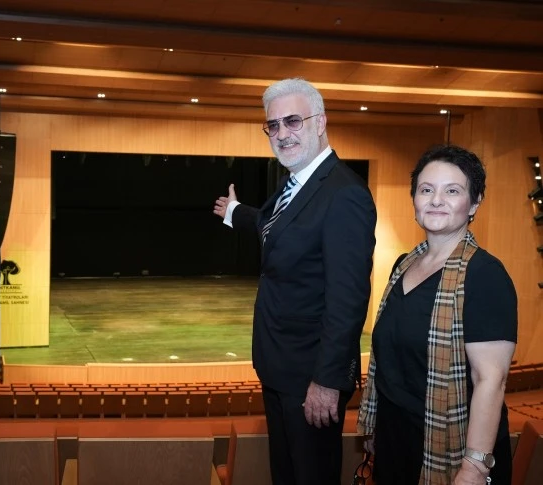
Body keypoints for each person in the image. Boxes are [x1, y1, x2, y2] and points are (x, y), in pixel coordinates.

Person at [213, 78, 377, 485]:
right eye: (273, 125)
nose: (282, 133)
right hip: (280, 369)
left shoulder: (344, 194)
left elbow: (348, 298)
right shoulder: (296, 184)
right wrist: (236, 212)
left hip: (311, 379)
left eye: (292, 121)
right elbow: (278, 225)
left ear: (320, 122)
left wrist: (326, 381)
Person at [357, 145, 517, 485]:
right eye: (426, 190)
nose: (436, 200)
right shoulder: (403, 265)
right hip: (395, 444)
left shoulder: (484, 275)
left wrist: (474, 468)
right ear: (414, 199)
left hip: (453, 454)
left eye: (452, 191)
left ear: (474, 203)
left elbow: (490, 379)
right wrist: (377, 430)